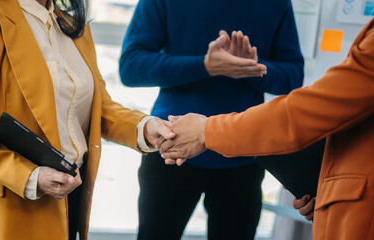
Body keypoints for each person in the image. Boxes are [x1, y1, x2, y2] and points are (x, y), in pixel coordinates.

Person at [157, 0, 374, 239]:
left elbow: (320, 99)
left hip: (240, 159)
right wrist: (326, 180)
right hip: (175, 151)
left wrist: (208, 128)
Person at [0, 0, 174, 239]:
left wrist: (145, 127)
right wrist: (30, 176)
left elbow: (99, 107)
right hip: (5, 206)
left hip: (69, 197)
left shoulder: (73, 26)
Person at [118, 0, 304, 239]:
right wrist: (205, 66)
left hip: (241, 156)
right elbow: (131, 67)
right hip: (172, 149)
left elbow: (293, 77)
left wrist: (252, 68)